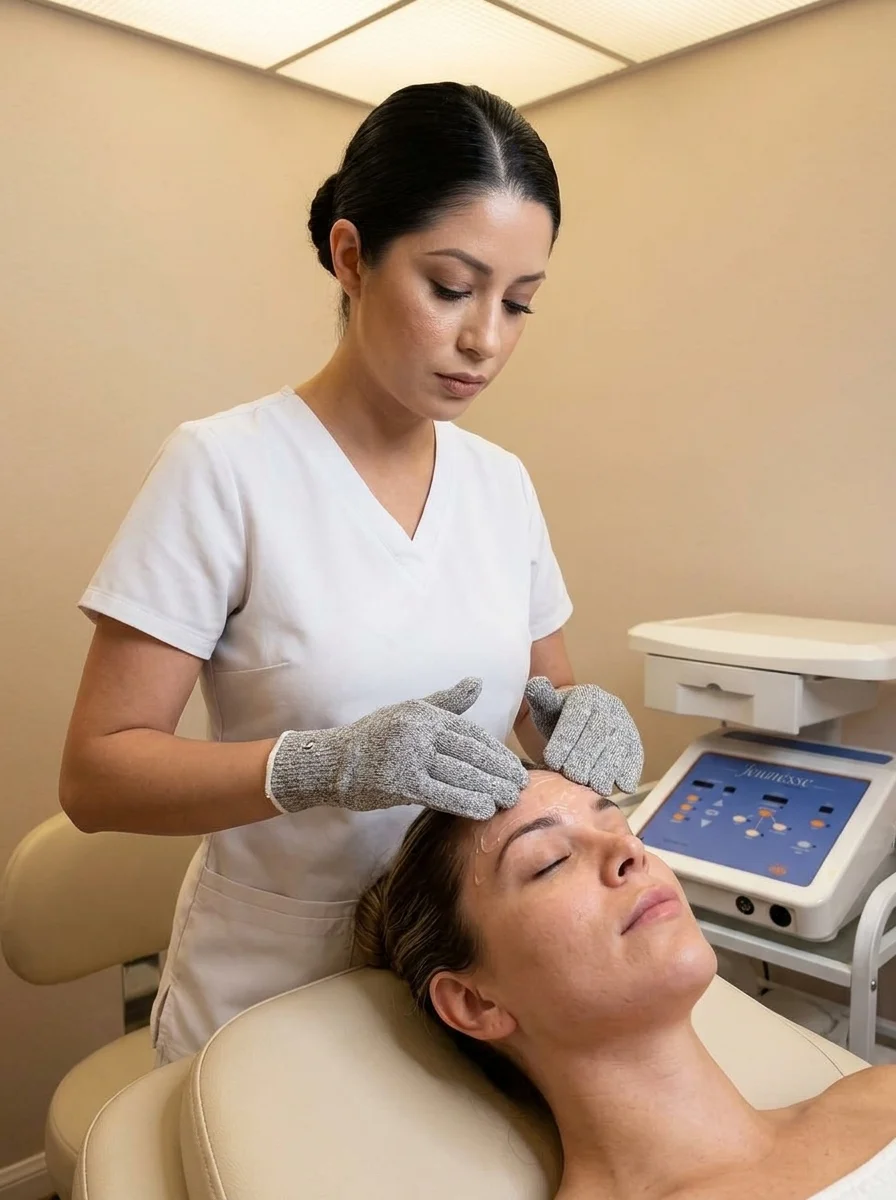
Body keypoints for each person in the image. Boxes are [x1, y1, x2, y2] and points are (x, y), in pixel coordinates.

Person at [59, 81, 644, 1067]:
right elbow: (98, 775)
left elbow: (541, 701)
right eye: (451, 287)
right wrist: (318, 766)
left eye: (517, 302)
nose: (485, 340)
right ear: (350, 256)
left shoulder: (500, 485)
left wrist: (578, 723)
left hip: (455, 982)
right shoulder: (226, 468)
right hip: (266, 991)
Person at [354, 768, 896, 1200]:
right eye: (550, 862)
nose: (630, 853)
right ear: (474, 1002)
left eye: (620, 827)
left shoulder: (880, 1098)